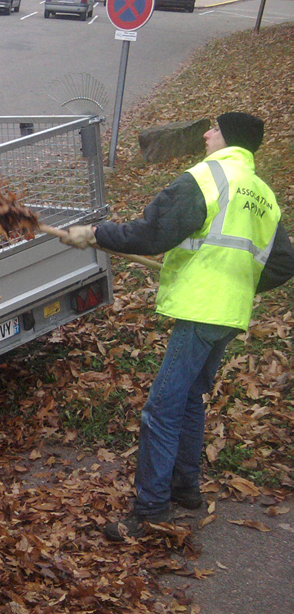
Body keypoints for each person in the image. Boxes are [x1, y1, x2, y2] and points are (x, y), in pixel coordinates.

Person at [62, 112, 294, 541]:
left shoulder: (207, 177)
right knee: (189, 399)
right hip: (228, 313)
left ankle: (150, 511)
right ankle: (185, 488)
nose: (206, 134)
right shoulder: (262, 194)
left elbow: (150, 233)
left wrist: (95, 233)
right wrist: (237, 284)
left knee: (162, 409)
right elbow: (282, 262)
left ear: (228, 139)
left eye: (215, 129)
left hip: (202, 312)